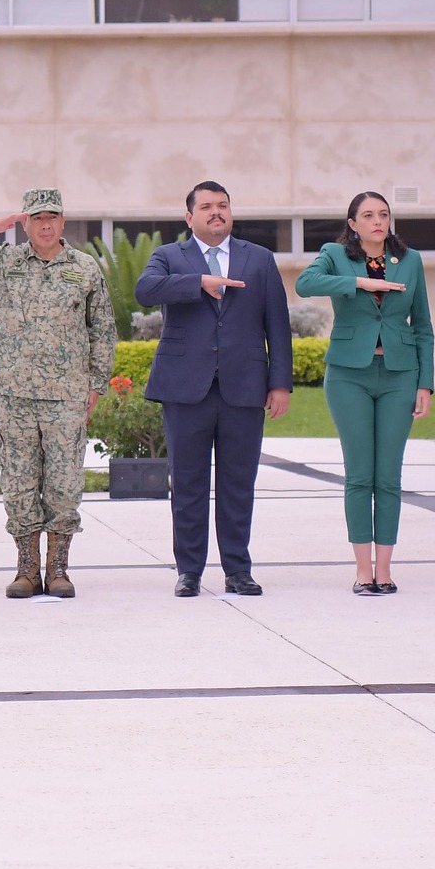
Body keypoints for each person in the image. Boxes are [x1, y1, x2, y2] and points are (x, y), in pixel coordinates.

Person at [0, 189, 116, 599]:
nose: (46, 225)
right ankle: (26, 568)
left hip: (66, 396)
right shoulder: (4, 262)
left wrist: (96, 383)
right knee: (18, 484)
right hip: (14, 394)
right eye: (37, 218)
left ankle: (57, 570)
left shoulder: (84, 268)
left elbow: (103, 329)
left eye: (52, 217)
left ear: (63, 221)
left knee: (64, 485)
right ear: (25, 223)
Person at [135, 182, 292, 598]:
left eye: (222, 206)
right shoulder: (170, 257)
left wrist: (280, 384)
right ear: (190, 217)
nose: (216, 212)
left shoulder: (258, 259)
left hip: (244, 388)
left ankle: (238, 570)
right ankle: (189, 571)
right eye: (206, 207)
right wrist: (197, 281)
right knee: (187, 484)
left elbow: (277, 324)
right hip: (185, 389)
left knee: (238, 483)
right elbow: (145, 290)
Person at [296, 192, 435, 596]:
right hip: (348, 375)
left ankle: (386, 570)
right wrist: (358, 281)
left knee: (388, 475)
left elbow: (423, 324)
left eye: (384, 214)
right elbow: (305, 283)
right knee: (360, 475)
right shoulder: (335, 254)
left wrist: (425, 382)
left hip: (399, 374)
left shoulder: (411, 260)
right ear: (353, 223)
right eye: (368, 215)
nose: (378, 221)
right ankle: (362, 570)